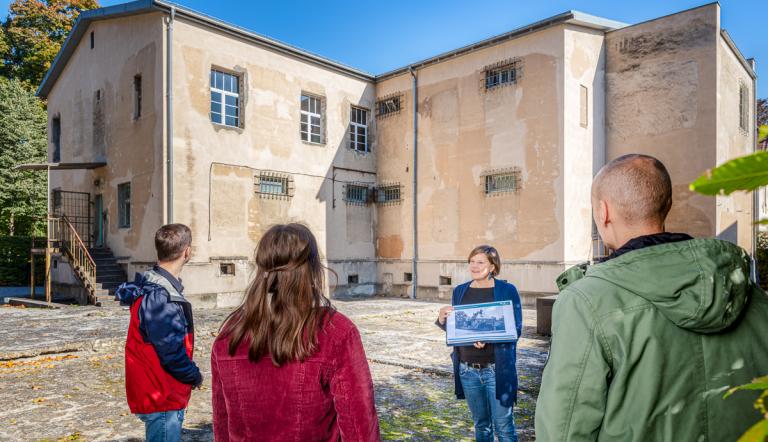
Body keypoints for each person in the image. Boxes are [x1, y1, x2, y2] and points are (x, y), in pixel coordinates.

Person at [535, 154, 768, 441]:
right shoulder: (750, 294)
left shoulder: (586, 302)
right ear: (667, 205)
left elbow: (564, 430)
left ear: (603, 212)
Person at [211, 223, 380, 441]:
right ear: (313, 270)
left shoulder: (230, 333)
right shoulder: (335, 332)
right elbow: (360, 428)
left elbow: (222, 426)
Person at [116, 223, 203, 442]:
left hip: (159, 391)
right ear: (187, 252)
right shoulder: (160, 297)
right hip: (162, 394)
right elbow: (171, 353)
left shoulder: (155, 285)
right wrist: (194, 375)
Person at [436, 245, 523, 442]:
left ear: (492, 266)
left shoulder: (507, 290)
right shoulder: (460, 291)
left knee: (504, 427)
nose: (474, 266)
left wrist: (487, 337)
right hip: (467, 370)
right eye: (472, 261)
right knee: (481, 426)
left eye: (480, 262)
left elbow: (515, 329)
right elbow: (458, 330)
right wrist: (442, 319)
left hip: (497, 370)